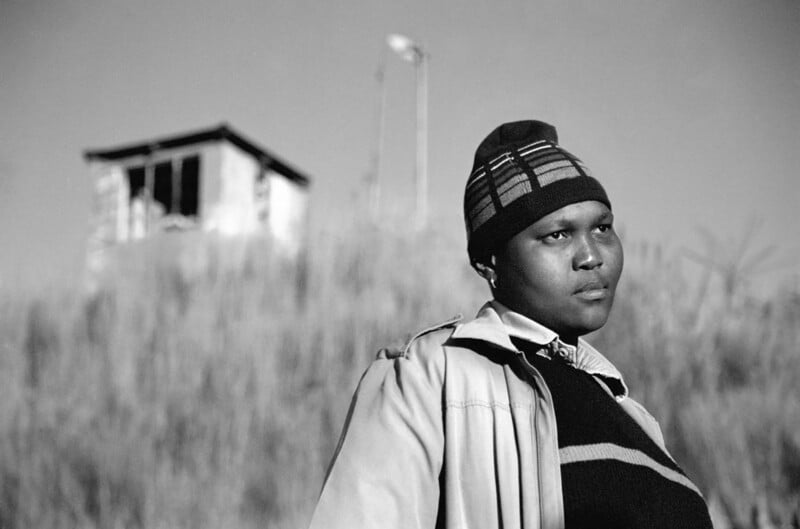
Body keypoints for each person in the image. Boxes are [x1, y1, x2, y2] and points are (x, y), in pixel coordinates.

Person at [308, 120, 713, 529]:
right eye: (557, 235)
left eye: (602, 228)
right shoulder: (431, 378)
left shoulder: (638, 419)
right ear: (490, 263)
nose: (591, 256)